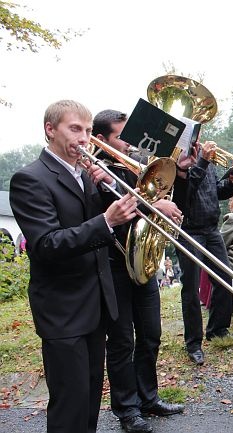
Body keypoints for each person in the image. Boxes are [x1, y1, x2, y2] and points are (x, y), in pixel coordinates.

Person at [8, 100, 139, 432]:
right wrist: (105, 221)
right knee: (70, 403)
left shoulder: (87, 175)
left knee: (91, 400)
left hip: (96, 304)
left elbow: (105, 228)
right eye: (75, 129)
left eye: (88, 131)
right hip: (63, 310)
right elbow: (46, 244)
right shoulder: (30, 179)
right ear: (50, 130)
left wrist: (146, 206)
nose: (84, 138)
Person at [92, 109, 185, 433]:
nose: (128, 143)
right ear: (101, 140)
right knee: (121, 342)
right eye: (120, 136)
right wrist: (153, 206)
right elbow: (111, 213)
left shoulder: (135, 167)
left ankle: (148, 398)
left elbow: (157, 199)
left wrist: (166, 213)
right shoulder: (94, 172)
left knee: (151, 335)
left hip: (141, 262)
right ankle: (127, 409)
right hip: (114, 266)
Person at [172, 130, 233, 367]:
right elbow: (186, 193)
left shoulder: (205, 160)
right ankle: (194, 343)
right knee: (190, 288)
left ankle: (218, 329)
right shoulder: (177, 162)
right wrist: (202, 160)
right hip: (189, 231)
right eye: (194, 138)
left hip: (212, 229)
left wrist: (231, 182)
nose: (198, 141)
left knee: (224, 278)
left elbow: (216, 192)